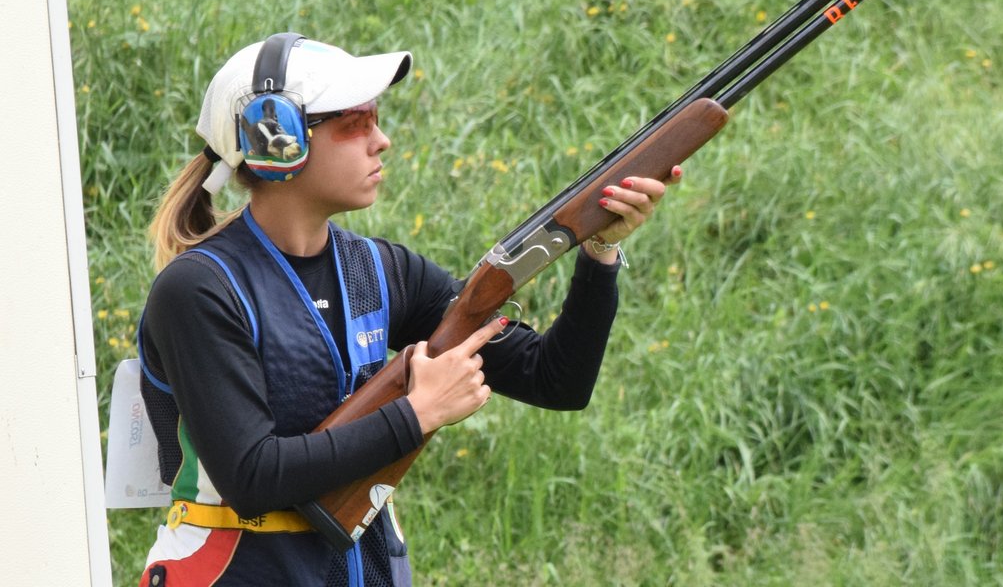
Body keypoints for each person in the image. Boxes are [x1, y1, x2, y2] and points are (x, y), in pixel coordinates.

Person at [136, 33, 681, 586]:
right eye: (356, 123)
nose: (382, 140)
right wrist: (417, 414)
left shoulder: (378, 271)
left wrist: (599, 252)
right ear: (276, 136)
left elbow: (555, 380)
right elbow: (252, 475)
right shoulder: (200, 291)